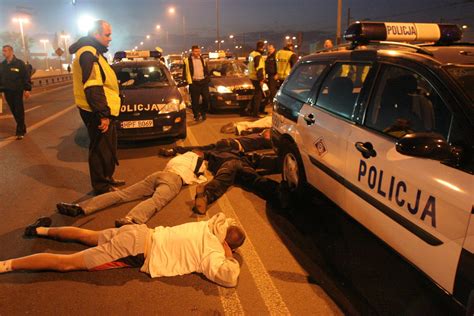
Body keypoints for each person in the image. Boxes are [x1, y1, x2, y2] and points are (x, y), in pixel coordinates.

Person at [0, 212, 246, 288]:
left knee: (89, 236)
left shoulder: (209, 226)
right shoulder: (213, 252)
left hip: (140, 232)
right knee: (68, 263)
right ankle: (6, 265)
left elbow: (223, 224)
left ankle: (40, 231)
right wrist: (228, 257)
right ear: (228, 245)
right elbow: (229, 278)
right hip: (136, 249)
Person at [56, 151, 207, 227]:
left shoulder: (180, 157)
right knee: (155, 201)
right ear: (199, 155)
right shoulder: (198, 160)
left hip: (158, 175)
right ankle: (131, 219)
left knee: (123, 194)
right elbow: (201, 177)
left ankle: (80, 207)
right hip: (174, 180)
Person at [69, 20, 124, 195]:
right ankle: (101, 187)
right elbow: (92, 86)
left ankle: (107, 179)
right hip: (95, 111)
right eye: (107, 35)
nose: (110, 38)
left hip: (102, 109)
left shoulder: (95, 53)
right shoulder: (88, 53)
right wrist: (103, 115)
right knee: (100, 150)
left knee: (108, 148)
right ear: (96, 34)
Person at [193, 149, 287, 215]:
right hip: (243, 166)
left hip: (229, 164)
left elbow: (201, 152)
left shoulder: (213, 153)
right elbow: (257, 159)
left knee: (222, 180)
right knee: (254, 180)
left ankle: (206, 195)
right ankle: (277, 192)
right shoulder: (235, 153)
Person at [158, 129, 272, 157]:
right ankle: (174, 150)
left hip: (233, 145)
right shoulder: (260, 133)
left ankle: (174, 151)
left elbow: (267, 136)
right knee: (203, 150)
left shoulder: (264, 139)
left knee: (203, 152)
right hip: (230, 143)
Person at [0, 45, 32, 139]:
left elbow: (25, 77)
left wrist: (27, 89)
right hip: (7, 91)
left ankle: (20, 131)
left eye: (5, 51)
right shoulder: (2, 65)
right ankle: (22, 126)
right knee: (13, 110)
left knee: (19, 110)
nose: (3, 53)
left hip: (18, 91)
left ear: (11, 51)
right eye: (3, 51)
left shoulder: (19, 64)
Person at [183, 45, 210, 121]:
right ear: (192, 51)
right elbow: (184, 72)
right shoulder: (187, 60)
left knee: (206, 99)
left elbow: (206, 70)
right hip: (194, 83)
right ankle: (196, 115)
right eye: (195, 51)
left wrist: (207, 78)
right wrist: (185, 82)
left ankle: (203, 112)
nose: (197, 53)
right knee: (195, 101)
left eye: (198, 51)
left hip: (203, 82)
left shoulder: (202, 60)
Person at [245, 41, 266, 117]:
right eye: (264, 48)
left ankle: (248, 109)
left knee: (257, 94)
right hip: (257, 78)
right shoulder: (258, 56)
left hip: (252, 77)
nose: (264, 49)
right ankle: (255, 113)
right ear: (262, 47)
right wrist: (261, 79)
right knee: (258, 96)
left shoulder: (252, 54)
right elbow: (259, 68)